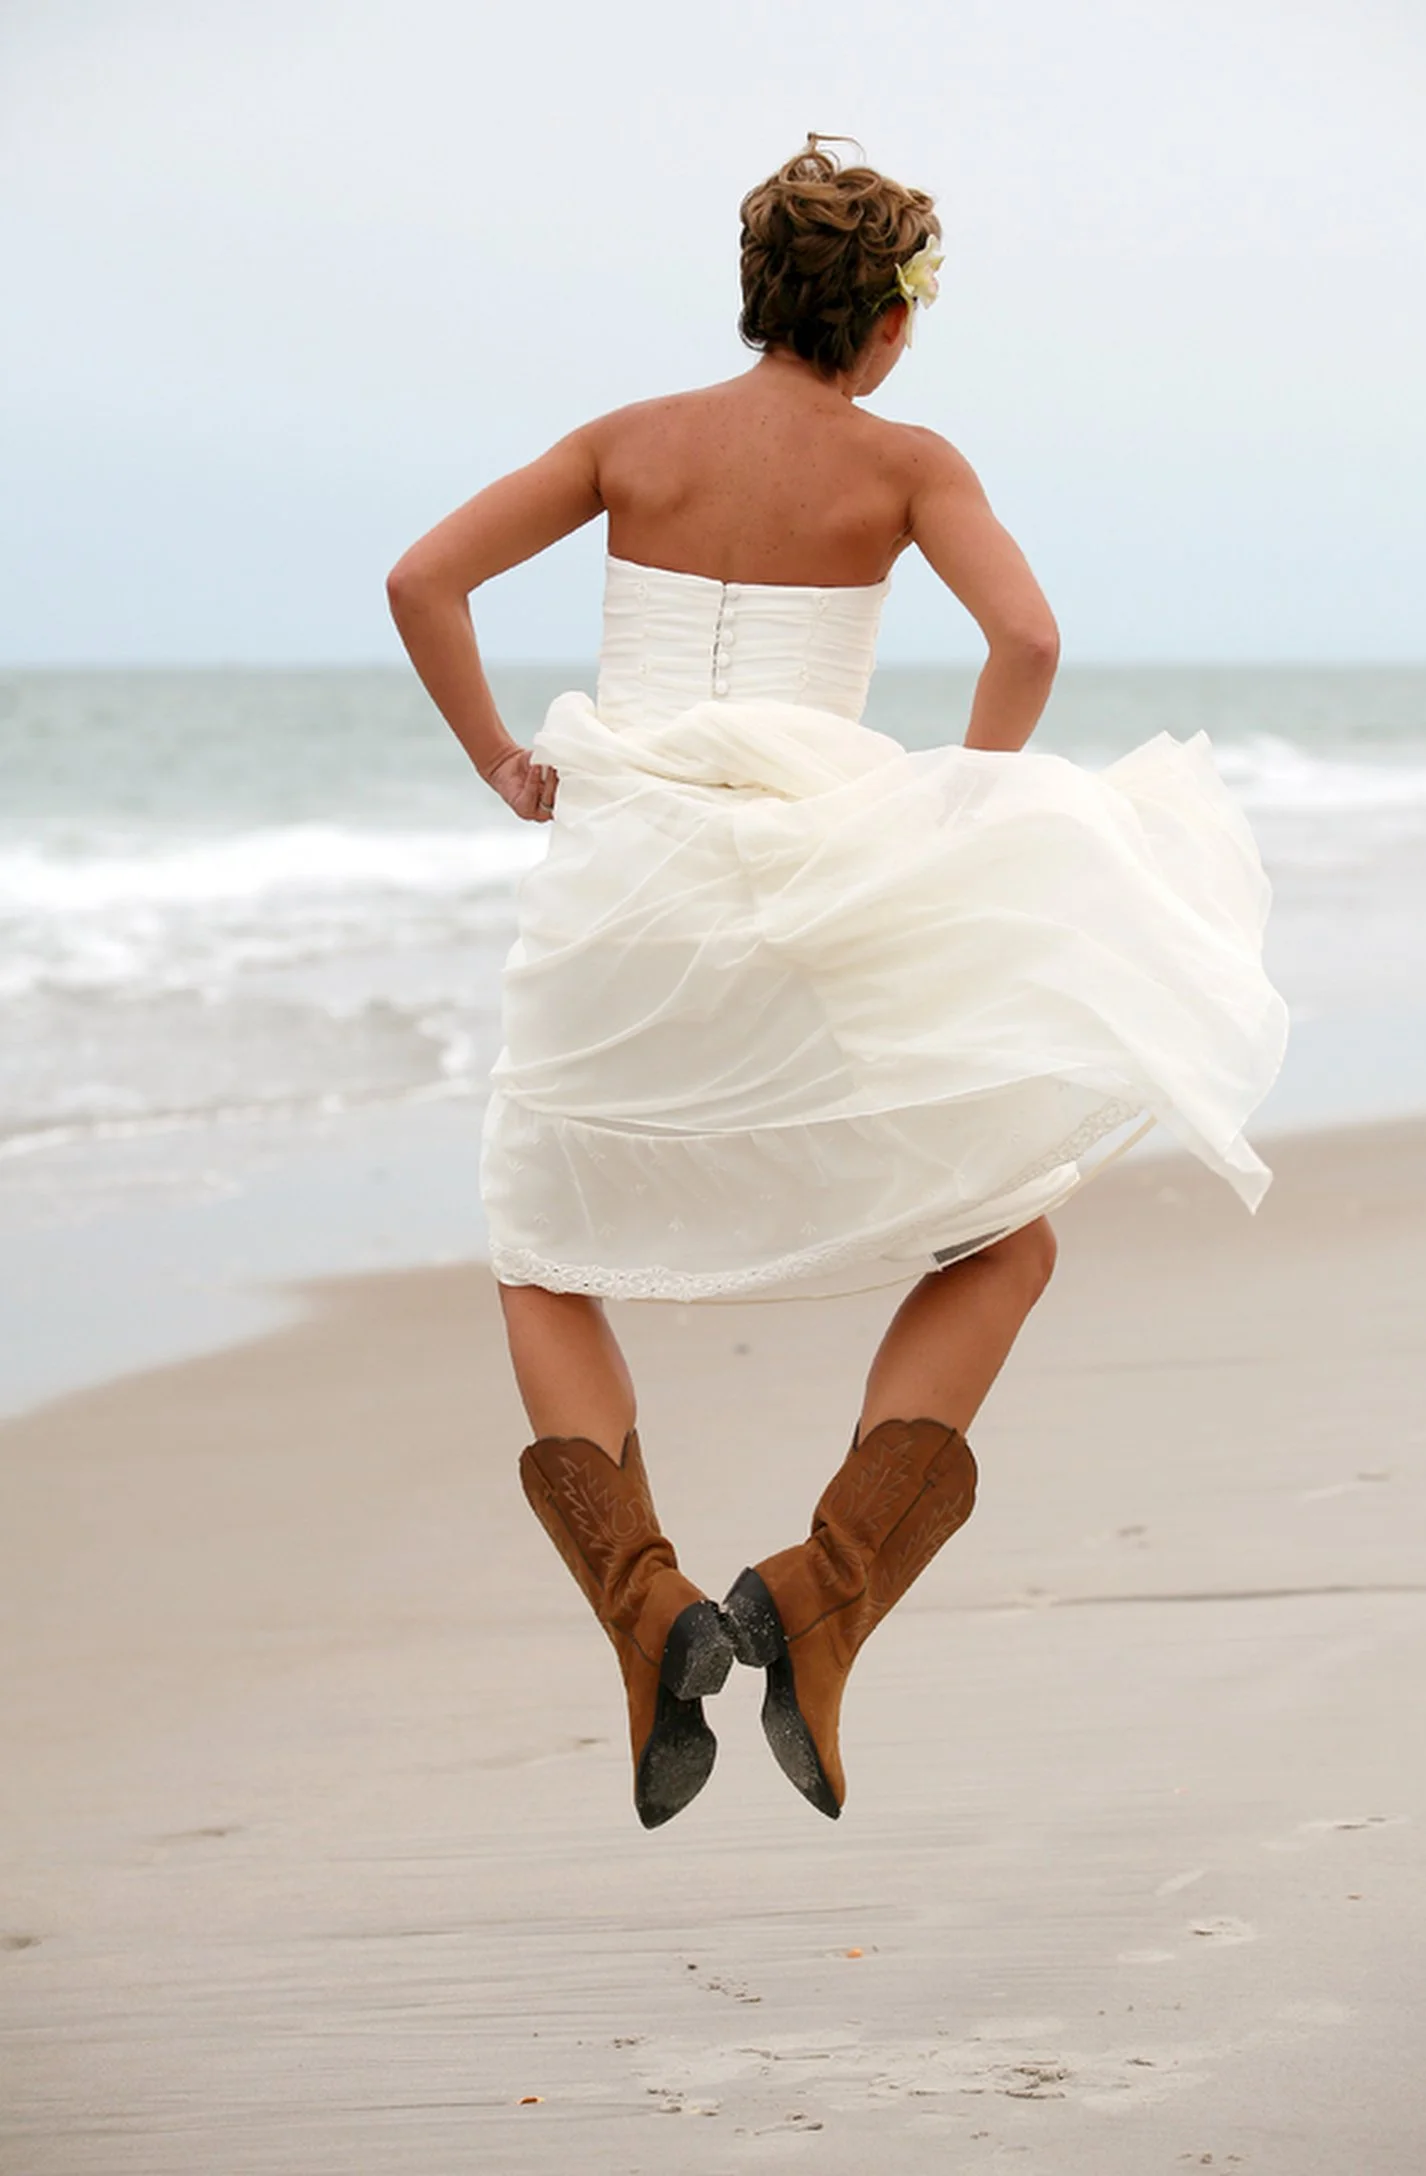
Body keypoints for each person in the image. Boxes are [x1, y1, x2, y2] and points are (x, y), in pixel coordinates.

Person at [386, 135, 1289, 1831]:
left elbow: (419, 579)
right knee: (1004, 1237)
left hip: (615, 907)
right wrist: (960, 820)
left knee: (543, 1262)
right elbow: (1028, 640)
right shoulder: (906, 462)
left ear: (756, 294)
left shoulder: (627, 441)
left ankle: (646, 1607)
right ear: (886, 317)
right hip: (811, 894)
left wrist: (505, 759)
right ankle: (825, 1591)